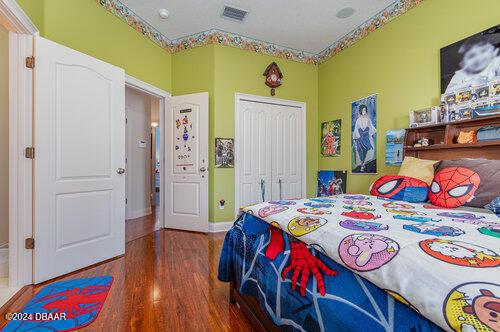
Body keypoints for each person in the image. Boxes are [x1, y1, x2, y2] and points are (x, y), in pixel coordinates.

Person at [353, 104, 376, 172]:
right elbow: (356, 129)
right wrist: (357, 137)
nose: (364, 111)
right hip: (360, 138)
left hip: (366, 138)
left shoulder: (368, 119)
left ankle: (364, 164)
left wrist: (371, 135)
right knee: (360, 151)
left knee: (367, 150)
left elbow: (371, 128)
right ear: (360, 111)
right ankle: (362, 164)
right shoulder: (358, 120)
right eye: (363, 110)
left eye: (365, 110)